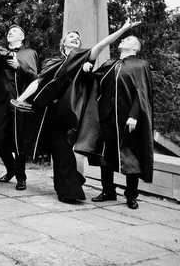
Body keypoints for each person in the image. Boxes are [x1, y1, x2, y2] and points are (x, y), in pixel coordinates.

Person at [13, 19, 141, 203]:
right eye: (70, 37)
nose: (74, 39)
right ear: (63, 43)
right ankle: (72, 183)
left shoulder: (83, 57)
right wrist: (21, 99)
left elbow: (102, 44)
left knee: (64, 150)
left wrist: (122, 29)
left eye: (77, 39)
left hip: (73, 114)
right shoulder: (52, 61)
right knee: (59, 152)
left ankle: (70, 192)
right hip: (51, 114)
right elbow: (38, 82)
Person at [83, 35, 154, 210]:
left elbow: (142, 92)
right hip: (106, 117)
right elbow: (94, 82)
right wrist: (87, 70)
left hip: (128, 119)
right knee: (105, 155)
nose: (123, 40)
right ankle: (108, 191)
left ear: (135, 48)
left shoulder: (140, 65)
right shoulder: (109, 64)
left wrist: (134, 115)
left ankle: (131, 195)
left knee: (131, 156)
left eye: (128, 39)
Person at [0, 25, 39, 190]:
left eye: (15, 31)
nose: (10, 32)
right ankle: (10, 168)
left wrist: (19, 67)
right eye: (9, 31)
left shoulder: (29, 53)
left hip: (19, 100)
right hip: (0, 100)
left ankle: (21, 177)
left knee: (18, 139)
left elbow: (35, 77)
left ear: (22, 36)